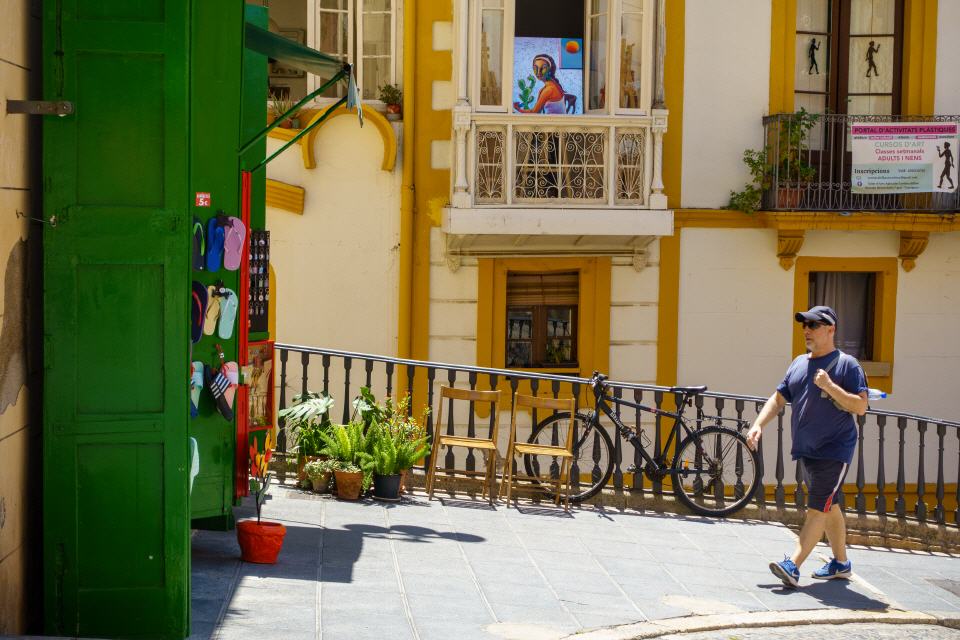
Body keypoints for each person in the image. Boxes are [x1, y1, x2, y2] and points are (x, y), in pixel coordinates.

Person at [746, 305, 868, 588]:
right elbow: (778, 399)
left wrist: (830, 386)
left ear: (831, 329)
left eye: (814, 325)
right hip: (807, 451)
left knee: (817, 509)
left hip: (834, 450)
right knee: (830, 505)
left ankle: (793, 566)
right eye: (804, 325)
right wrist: (758, 425)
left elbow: (860, 406)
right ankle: (841, 563)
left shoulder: (847, 365)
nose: (807, 330)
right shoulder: (799, 363)